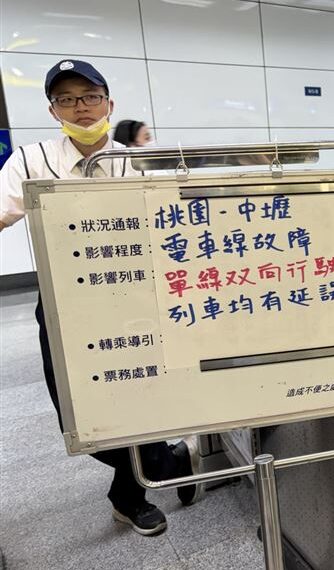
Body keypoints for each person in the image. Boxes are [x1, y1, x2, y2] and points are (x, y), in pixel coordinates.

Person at [0, 59, 198, 537]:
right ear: (53, 110)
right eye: (66, 99)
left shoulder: (140, 162)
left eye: (89, 96)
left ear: (109, 103)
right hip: (66, 308)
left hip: (138, 303)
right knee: (80, 416)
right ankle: (170, 461)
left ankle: (128, 497)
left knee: (144, 396)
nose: (80, 108)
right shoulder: (30, 160)